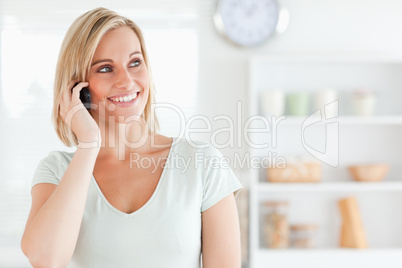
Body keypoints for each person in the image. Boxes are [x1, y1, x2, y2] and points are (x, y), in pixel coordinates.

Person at [20, 7, 243, 268]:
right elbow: (45, 260)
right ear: (77, 87)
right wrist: (89, 144)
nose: (127, 81)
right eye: (105, 68)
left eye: (135, 63)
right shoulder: (57, 171)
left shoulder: (202, 163)